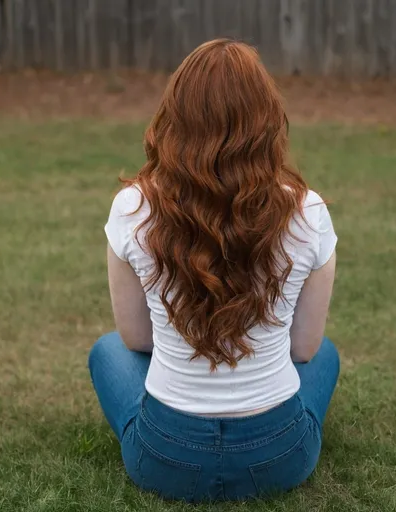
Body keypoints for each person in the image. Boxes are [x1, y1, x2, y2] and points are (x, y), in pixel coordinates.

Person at [88, 39, 339, 502]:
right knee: (326, 355)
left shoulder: (133, 208)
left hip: (165, 459)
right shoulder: (308, 211)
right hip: (279, 457)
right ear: (266, 121)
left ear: (175, 117)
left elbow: (137, 340)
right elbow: (304, 348)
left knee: (108, 351)